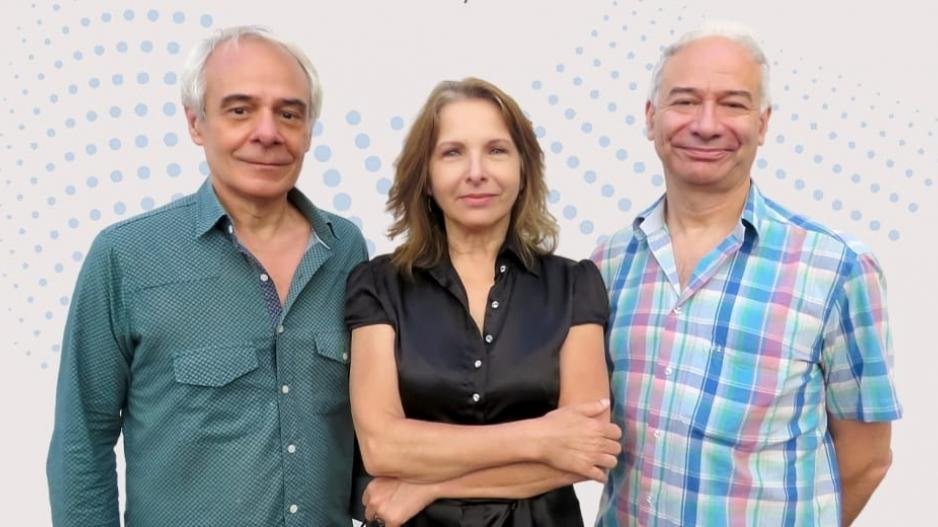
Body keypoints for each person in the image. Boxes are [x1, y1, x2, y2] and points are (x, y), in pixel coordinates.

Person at [46, 26, 367, 526]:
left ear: (308, 130)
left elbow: (366, 425)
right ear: (196, 123)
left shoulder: (346, 250)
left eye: (289, 113)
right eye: (240, 110)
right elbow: (81, 442)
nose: (268, 132)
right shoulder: (126, 256)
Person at [591, 22, 902, 526]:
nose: (706, 125)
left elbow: (867, 458)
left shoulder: (837, 269)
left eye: (733, 104)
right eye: (685, 101)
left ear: (763, 123)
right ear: (651, 117)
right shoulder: (609, 262)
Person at [345, 77, 622, 526]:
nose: (476, 172)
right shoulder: (377, 284)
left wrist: (428, 485)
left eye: (496, 150)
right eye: (452, 152)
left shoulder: (575, 285)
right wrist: (541, 437)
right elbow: (382, 448)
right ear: (426, 178)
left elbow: (584, 450)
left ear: (523, 169)